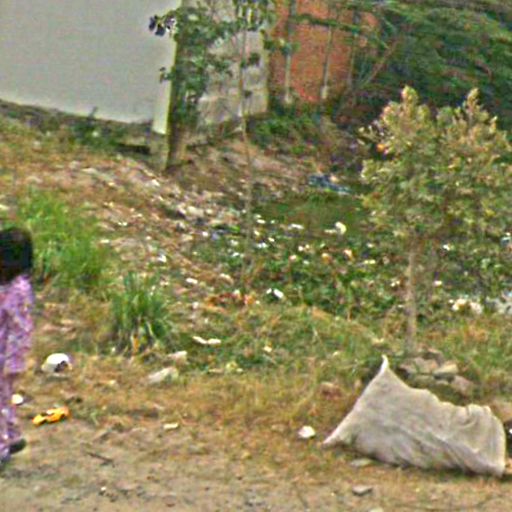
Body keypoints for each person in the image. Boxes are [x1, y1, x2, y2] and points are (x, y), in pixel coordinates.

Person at [0, 227, 34, 466]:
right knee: (4, 400)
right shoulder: (6, 286)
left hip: (5, 357)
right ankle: (11, 437)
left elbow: (21, 328)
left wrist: (14, 361)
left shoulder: (18, 291)